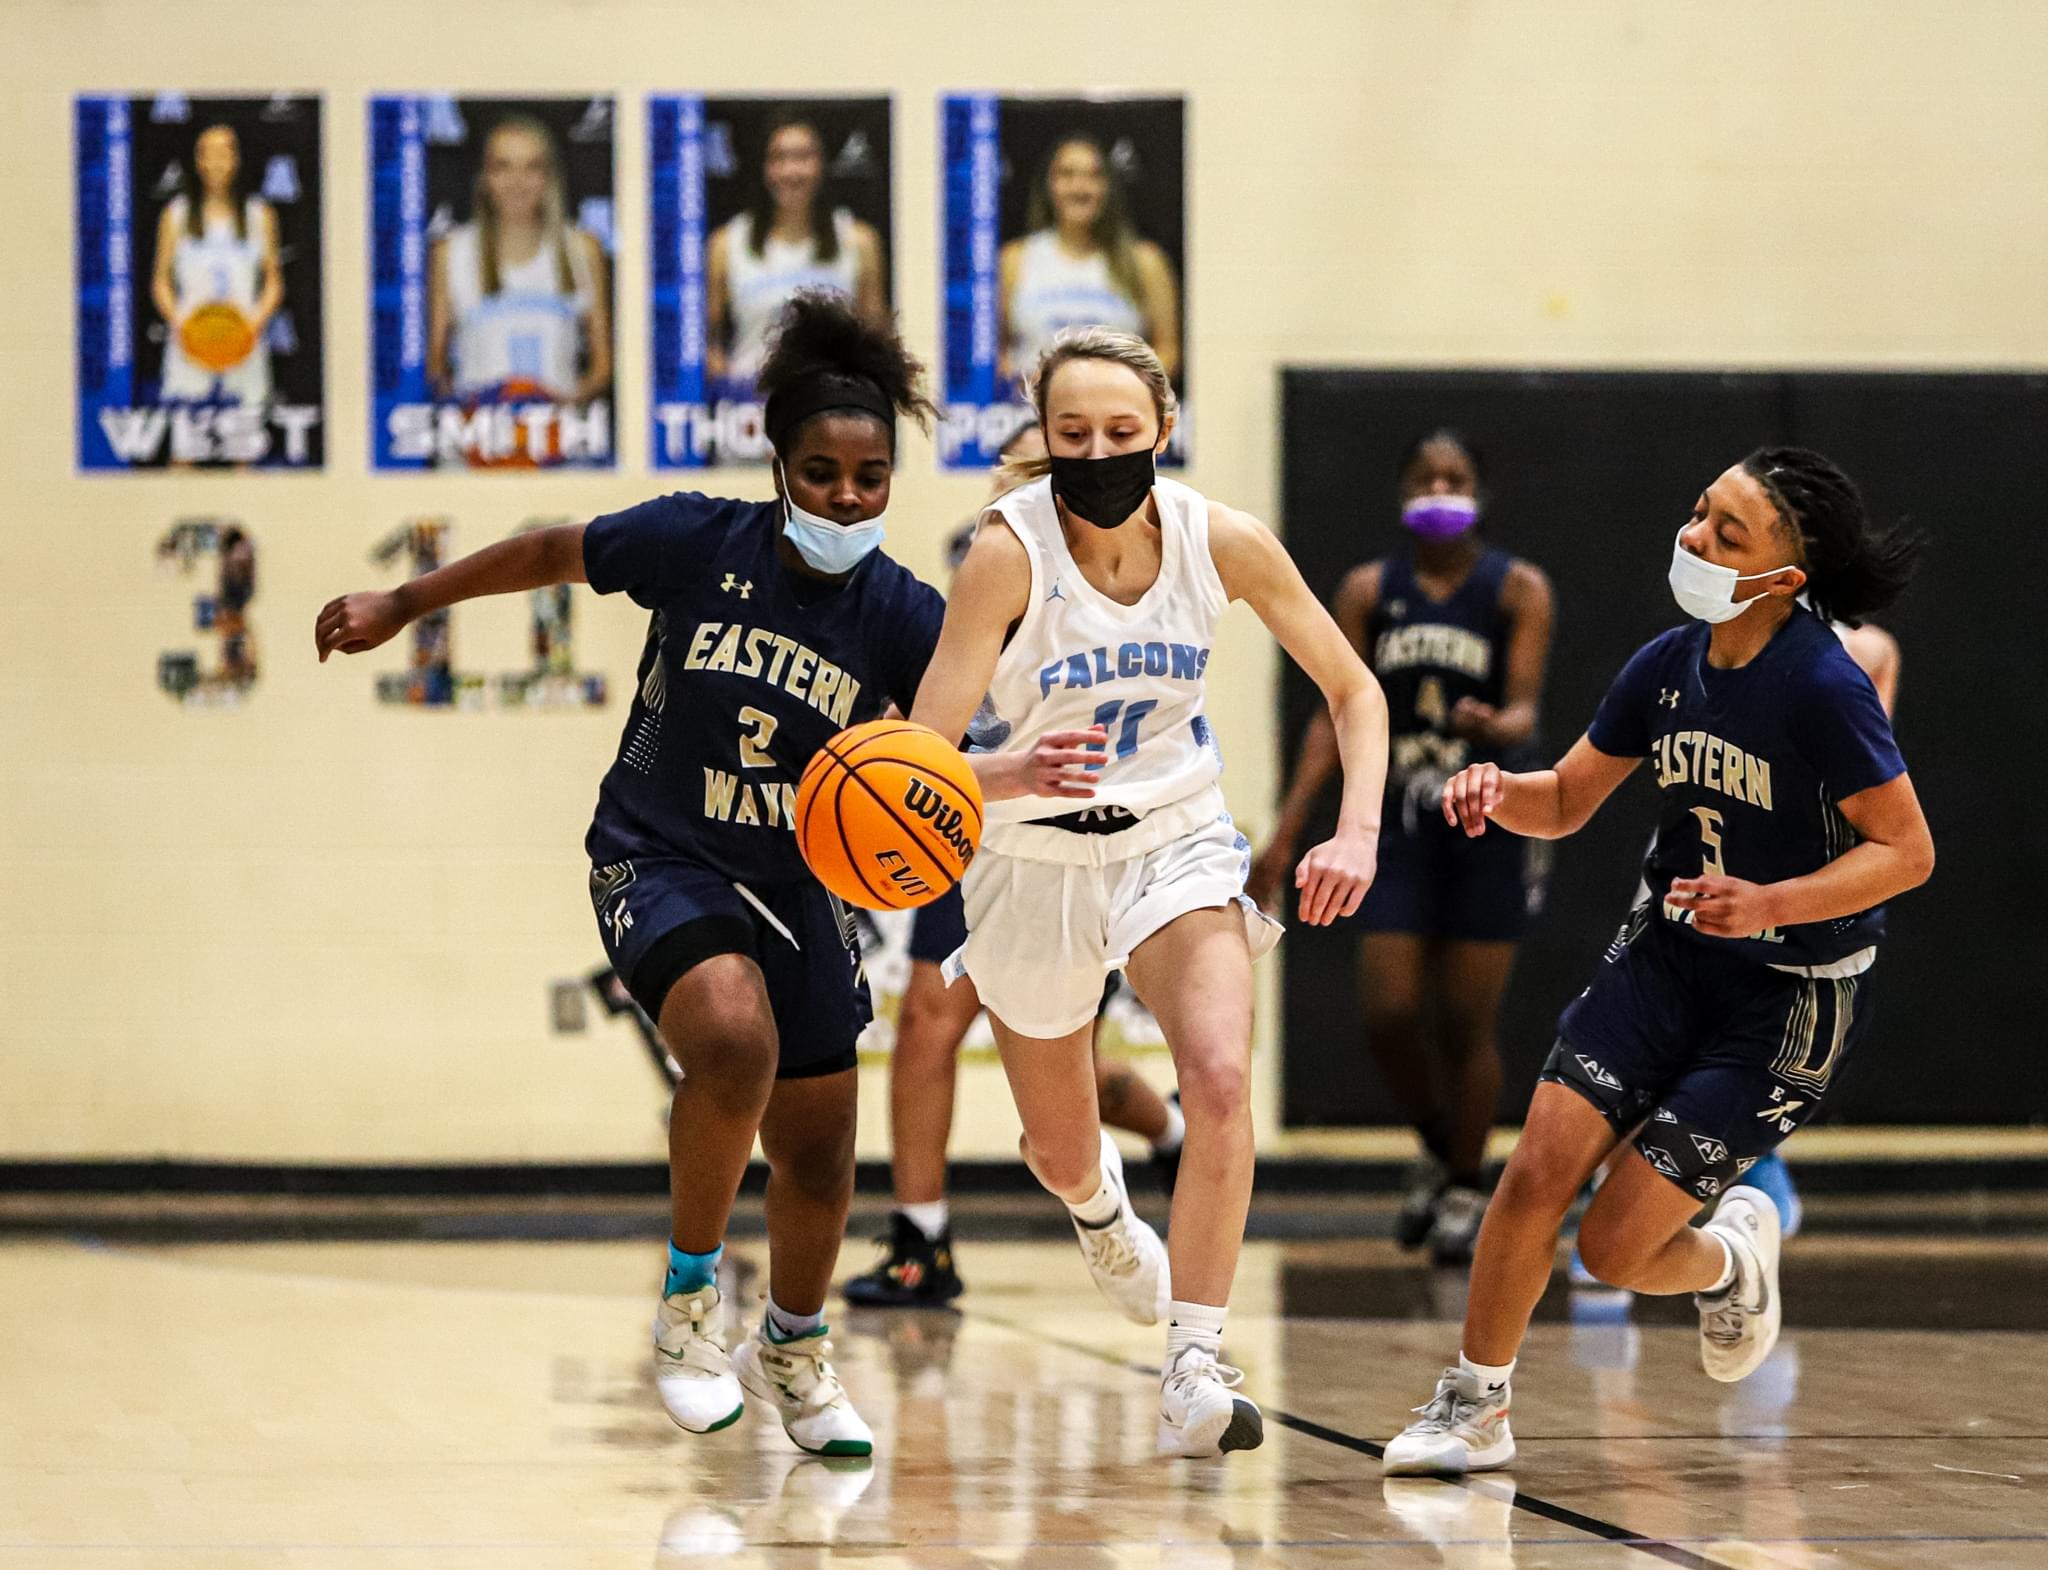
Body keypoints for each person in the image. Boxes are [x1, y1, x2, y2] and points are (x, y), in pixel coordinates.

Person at [316, 293, 945, 1460]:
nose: (845, 499)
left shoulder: (904, 612)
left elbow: (954, 752)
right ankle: (688, 1307)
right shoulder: (698, 540)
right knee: (732, 1038)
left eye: (869, 480)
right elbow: (554, 552)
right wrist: (405, 600)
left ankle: (796, 1354)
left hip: (801, 883)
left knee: (818, 1150)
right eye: (820, 475)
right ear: (778, 465)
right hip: (659, 850)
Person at [1382, 447, 1934, 1476]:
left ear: (1785, 577)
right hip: (1667, 956)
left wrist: (1768, 903)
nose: (1693, 540)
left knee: (1612, 1252)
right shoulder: (1664, 663)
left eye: (1728, 534)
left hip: (1785, 1000)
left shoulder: (1821, 684)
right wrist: (1494, 791)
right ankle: (1475, 1402)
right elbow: (1563, 798)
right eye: (1696, 516)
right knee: (1536, 1166)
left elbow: (1906, 852)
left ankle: (1730, 1254)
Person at [910, 327, 1389, 1457]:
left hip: (1172, 838)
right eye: (1071, 433)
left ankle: (1193, 1361)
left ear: (1163, 432)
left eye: (1121, 432)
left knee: (1220, 1075)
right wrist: (1012, 770)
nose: (1097, 451)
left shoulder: (1219, 540)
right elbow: (914, 752)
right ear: (1044, 440)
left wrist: (1355, 833)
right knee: (1061, 1148)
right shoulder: (1005, 554)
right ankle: (1097, 1210)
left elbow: (1352, 689)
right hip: (1027, 857)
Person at [842, 422, 1186, 1311]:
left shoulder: (1154, 556)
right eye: (1041, 447)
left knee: (1057, 1067)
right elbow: (932, 695)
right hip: (974, 827)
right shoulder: (985, 552)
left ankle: (1168, 1130)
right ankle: (921, 1237)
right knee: (926, 1023)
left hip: (1081, 840)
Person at [1252, 430, 1553, 1265]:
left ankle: (1464, 1184)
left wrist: (1496, 724)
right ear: (1402, 491)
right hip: (1395, 822)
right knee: (1386, 1012)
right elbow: (1333, 712)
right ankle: (1439, 1146)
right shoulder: (1367, 590)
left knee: (1466, 1023)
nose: (1440, 487)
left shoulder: (1517, 589)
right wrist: (1286, 833)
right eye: (1425, 475)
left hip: (1485, 819)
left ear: (1479, 493)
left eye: (1456, 476)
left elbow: (1527, 708)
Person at [428, 116, 612, 407]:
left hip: (557, 442)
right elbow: (434, 363)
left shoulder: (582, 249)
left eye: (532, 167)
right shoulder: (451, 251)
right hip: (477, 443)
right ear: (485, 177)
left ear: (549, 177)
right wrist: (469, 413)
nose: (517, 182)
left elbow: (602, 367)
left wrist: (566, 405)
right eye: (503, 167)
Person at [706, 114, 887, 392]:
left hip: (832, 407)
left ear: (822, 164)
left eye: (803, 157)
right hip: (750, 413)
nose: (791, 171)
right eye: (779, 158)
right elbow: (702, 340)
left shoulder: (859, 241)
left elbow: (878, 341)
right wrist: (728, 384)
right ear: (764, 167)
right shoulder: (726, 243)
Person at [998, 135, 1181, 391]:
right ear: (1050, 185)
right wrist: (1027, 387)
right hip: (1031, 417)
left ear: (1109, 187)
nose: (1079, 187)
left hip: (1117, 413)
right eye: (1067, 175)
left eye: (1093, 176)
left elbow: (1168, 350)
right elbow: (992, 351)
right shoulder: (1015, 259)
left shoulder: (1145, 261)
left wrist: (1128, 389)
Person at [151, 123, 281, 406]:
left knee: (243, 441)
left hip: (245, 342)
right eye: (209, 154)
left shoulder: (260, 215)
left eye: (225, 153)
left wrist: (253, 323)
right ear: (198, 161)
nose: (217, 163)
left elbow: (273, 281)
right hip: (189, 344)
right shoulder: (176, 214)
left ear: (237, 159)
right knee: (185, 442)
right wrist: (183, 324)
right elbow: (161, 281)